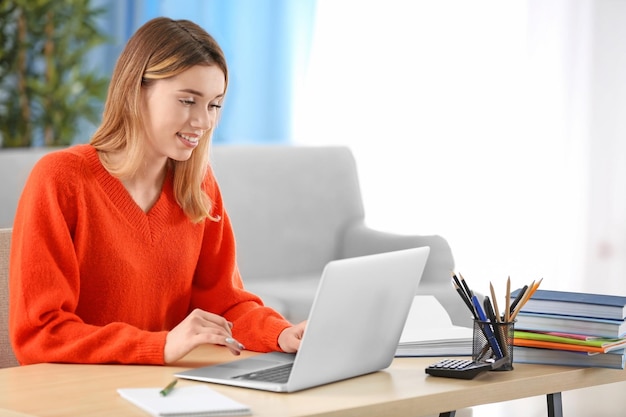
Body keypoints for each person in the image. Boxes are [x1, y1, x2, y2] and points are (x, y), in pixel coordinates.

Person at [9, 17, 306, 365]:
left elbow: (224, 304)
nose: (204, 121)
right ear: (137, 90)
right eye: (187, 101)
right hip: (84, 394)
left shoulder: (197, 187)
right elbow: (40, 333)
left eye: (214, 105)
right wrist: (160, 346)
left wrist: (281, 334)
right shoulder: (62, 179)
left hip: (164, 391)